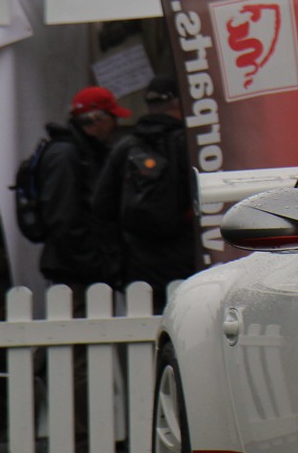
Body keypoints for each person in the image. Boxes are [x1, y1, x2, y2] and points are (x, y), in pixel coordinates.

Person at [92, 75, 197, 309]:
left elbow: (101, 207)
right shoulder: (192, 146)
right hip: (185, 262)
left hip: (138, 266)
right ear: (180, 102)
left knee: (145, 326)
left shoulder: (126, 147)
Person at [38, 86, 127, 289]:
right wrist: (99, 263)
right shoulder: (68, 155)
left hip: (81, 269)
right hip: (76, 273)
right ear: (97, 120)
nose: (116, 125)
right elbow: (63, 219)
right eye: (113, 117)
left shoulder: (82, 152)